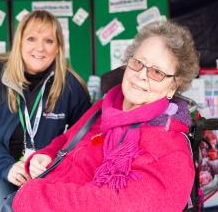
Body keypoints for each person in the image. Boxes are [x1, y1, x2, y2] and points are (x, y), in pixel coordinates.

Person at [12, 20, 200, 212]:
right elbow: (67, 140)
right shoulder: (105, 107)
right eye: (138, 62)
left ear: (173, 86)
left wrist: (34, 196)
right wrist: (45, 155)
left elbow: (123, 206)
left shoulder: (170, 147)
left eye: (157, 72)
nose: (142, 75)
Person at [0, 10, 91, 212]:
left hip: (44, 169)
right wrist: (6, 167)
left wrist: (53, 160)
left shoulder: (71, 85)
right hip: (1, 164)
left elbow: (84, 136)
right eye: (31, 38)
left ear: (58, 47)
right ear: (19, 42)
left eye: (48, 41)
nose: (39, 48)